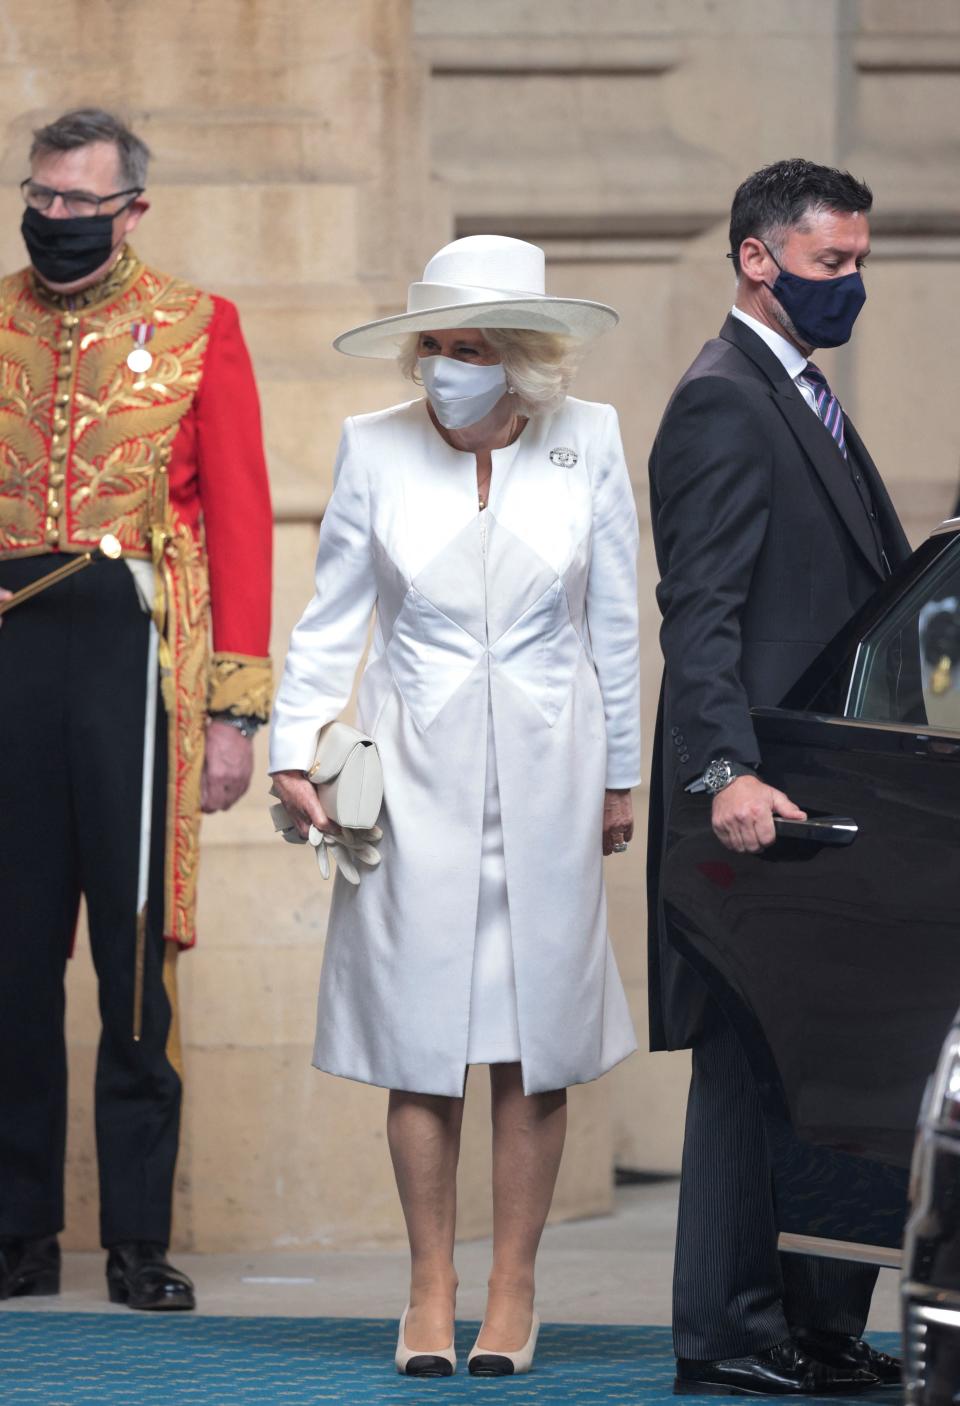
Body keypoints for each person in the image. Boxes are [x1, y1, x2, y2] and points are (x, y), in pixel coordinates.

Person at [270, 234, 640, 1378]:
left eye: (469, 348)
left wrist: (621, 771)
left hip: (553, 764)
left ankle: (512, 1288)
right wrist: (292, 748)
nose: (443, 367)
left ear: (524, 360)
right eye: (432, 345)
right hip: (411, 768)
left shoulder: (593, 440)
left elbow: (617, 622)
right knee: (417, 1036)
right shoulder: (372, 446)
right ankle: (428, 1286)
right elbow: (334, 612)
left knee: (536, 1041)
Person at [0, 110, 273, 1310]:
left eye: (81, 203)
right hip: (10, 659)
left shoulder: (202, 325)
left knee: (136, 967)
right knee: (8, 965)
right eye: (42, 197)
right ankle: (16, 1235)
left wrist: (235, 713)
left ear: (132, 211)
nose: (57, 220)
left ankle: (134, 1240)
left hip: (138, 665)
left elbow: (246, 521)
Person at [647, 159, 909, 1395]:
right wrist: (724, 772)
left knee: (839, 1056)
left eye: (859, 263)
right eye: (829, 265)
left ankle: (822, 1322)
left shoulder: (805, 398)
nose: (850, 284)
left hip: (838, 788)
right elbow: (697, 614)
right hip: (759, 799)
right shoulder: (724, 400)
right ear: (759, 258)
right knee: (752, 1064)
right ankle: (730, 1333)